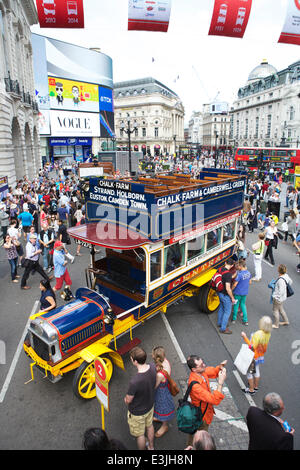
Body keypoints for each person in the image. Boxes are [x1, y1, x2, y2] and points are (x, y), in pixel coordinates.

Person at [185, 355, 227, 447]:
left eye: (203, 362)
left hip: (203, 412)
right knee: (199, 437)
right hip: (201, 417)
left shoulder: (201, 371)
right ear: (194, 369)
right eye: (201, 365)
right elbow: (215, 400)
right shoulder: (195, 387)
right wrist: (220, 383)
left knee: (195, 434)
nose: (204, 365)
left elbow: (212, 371)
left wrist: (220, 367)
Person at [124, 346, 156, 450]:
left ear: (135, 361)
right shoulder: (152, 366)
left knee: (140, 435)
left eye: (131, 358)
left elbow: (128, 400)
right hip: (150, 406)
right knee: (150, 426)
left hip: (137, 412)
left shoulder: (135, 382)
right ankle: (151, 447)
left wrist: (125, 399)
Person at [241, 316, 272, 395]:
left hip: (253, 357)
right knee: (257, 370)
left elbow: (252, 347)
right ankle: (256, 386)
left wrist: (244, 337)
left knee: (249, 373)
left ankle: (251, 390)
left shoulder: (258, 334)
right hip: (259, 356)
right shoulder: (268, 334)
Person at [152, 346, 175, 438]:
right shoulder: (166, 362)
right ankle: (158, 417)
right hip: (165, 389)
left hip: (161, 392)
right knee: (161, 407)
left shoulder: (159, 375)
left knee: (163, 408)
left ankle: (164, 426)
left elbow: (154, 386)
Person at [217, 258, 237, 334]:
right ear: (232, 265)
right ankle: (223, 328)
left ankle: (219, 323)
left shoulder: (220, 269)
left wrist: (232, 276)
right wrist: (232, 298)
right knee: (227, 312)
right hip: (225, 295)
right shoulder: (228, 274)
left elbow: (223, 278)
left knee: (221, 308)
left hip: (219, 293)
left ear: (225, 263)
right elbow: (228, 289)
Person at [271, 264, 293, 329]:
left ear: (279, 270)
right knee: (281, 309)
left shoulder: (281, 280)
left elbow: (280, 291)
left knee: (275, 310)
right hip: (283, 297)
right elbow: (291, 282)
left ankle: (276, 324)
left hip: (278, 298)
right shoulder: (286, 275)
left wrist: (276, 296)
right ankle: (286, 321)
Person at [232, 259, 252, 326]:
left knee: (236, 305)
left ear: (240, 266)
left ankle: (234, 319)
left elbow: (235, 284)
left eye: (238, 266)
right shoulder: (249, 273)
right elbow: (250, 282)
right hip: (245, 293)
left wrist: (231, 289)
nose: (238, 267)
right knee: (243, 305)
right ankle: (245, 320)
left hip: (238, 293)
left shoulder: (239, 275)